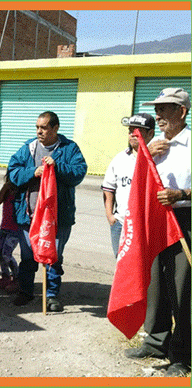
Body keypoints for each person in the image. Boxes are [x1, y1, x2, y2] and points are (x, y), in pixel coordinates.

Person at [123, 88, 191, 377]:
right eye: (158, 108)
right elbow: (138, 181)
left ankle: (183, 354)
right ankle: (155, 341)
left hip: (184, 218)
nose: (158, 115)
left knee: (183, 287)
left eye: (165, 109)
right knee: (155, 284)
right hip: (155, 219)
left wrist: (182, 193)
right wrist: (144, 155)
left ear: (182, 112)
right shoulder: (156, 144)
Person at [7, 111, 87, 312]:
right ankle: (26, 292)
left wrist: (57, 167)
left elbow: (78, 173)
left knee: (54, 257)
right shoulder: (29, 147)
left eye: (43, 127)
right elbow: (13, 172)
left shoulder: (69, 148)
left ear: (55, 128)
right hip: (29, 215)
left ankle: (51, 296)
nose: (39, 131)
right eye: (37, 127)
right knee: (28, 257)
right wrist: (33, 172)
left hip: (58, 218)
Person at [101, 113, 155, 257]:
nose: (132, 134)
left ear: (151, 133)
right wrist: (110, 216)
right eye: (130, 131)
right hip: (121, 224)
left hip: (147, 226)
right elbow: (108, 188)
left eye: (138, 131)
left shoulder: (159, 158)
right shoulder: (120, 159)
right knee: (122, 266)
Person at [0, 173, 20, 293]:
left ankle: (17, 278)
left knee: (6, 254)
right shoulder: (7, 189)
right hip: (4, 227)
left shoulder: (21, 191)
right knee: (0, 253)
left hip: (15, 229)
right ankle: (5, 276)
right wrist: (5, 188)